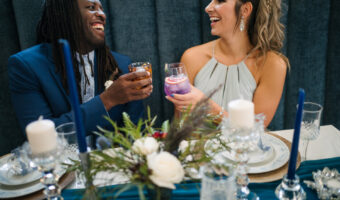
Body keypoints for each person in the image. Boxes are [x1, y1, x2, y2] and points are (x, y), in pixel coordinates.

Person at [8, 0, 153, 135]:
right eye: (91, 8)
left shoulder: (121, 64)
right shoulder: (26, 66)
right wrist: (107, 100)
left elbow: (135, 132)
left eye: (102, 9)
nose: (102, 14)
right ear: (66, 15)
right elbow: (42, 136)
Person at [166, 0, 288, 127]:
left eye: (220, 1)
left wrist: (208, 107)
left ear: (245, 10)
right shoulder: (191, 57)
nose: (208, 8)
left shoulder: (272, 65)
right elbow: (179, 125)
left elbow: (254, 130)